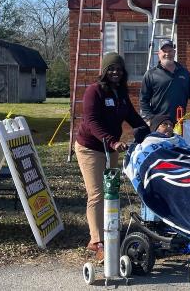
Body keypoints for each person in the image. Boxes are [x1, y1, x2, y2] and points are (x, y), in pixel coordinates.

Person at [75, 52, 148, 260]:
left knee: (111, 191)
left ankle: (111, 231)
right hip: (90, 148)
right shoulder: (94, 91)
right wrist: (112, 141)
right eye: (112, 69)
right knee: (97, 193)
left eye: (119, 69)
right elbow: (91, 122)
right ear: (105, 71)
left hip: (110, 149)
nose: (116, 72)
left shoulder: (121, 93)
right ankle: (96, 241)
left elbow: (132, 117)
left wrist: (152, 130)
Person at [139, 40, 190, 123]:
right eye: (164, 51)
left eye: (170, 51)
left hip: (179, 122)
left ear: (174, 53)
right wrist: (149, 118)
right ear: (159, 54)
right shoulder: (150, 74)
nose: (167, 54)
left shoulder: (184, 73)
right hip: (159, 124)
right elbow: (143, 100)